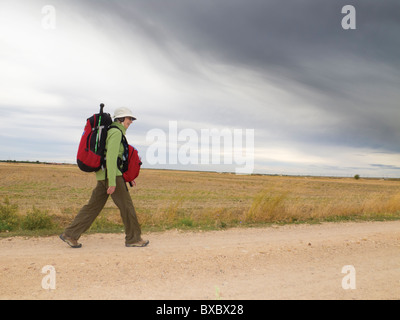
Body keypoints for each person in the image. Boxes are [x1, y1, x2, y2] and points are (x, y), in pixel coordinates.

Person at [60, 107, 149, 248]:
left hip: (104, 175)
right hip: (111, 176)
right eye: (129, 119)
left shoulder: (114, 132)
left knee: (92, 207)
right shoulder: (115, 133)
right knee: (127, 207)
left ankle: (70, 234)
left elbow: (119, 159)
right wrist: (113, 182)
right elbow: (111, 159)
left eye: (131, 119)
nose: (131, 122)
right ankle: (133, 239)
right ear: (120, 119)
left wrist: (127, 177)